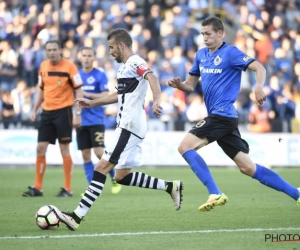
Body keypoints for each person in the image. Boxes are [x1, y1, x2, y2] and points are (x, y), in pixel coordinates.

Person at [165, 16, 300, 212]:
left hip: (222, 115)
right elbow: (190, 85)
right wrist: (179, 85)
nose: (204, 38)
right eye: (202, 34)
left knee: (185, 146)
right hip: (222, 118)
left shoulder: (231, 53)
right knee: (247, 168)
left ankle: (215, 192)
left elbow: (259, 67)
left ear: (221, 33)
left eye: (208, 34)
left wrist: (259, 87)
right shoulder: (201, 55)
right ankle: (296, 194)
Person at [53, 28, 183, 230]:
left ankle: (76, 217)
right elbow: (118, 95)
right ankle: (170, 186)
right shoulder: (124, 69)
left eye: (112, 47)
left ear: (121, 45)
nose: (110, 52)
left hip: (129, 125)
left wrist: (157, 99)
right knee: (122, 176)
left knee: (101, 168)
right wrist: (92, 103)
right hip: (129, 125)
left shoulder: (135, 62)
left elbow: (152, 77)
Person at [22, 40, 84, 197]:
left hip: (64, 112)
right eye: (48, 50)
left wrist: (78, 114)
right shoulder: (43, 66)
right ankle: (37, 188)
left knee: (64, 149)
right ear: (45, 51)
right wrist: (35, 109)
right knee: (40, 148)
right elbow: (41, 90)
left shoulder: (70, 67)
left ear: (60, 50)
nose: (51, 52)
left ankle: (68, 188)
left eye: (54, 49)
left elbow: (79, 91)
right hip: (46, 112)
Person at [77, 46, 121, 194]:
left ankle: (114, 177)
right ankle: (91, 189)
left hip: (96, 120)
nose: (87, 58)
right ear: (80, 57)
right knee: (85, 155)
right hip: (81, 121)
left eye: (89, 55)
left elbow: (105, 95)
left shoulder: (100, 75)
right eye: (84, 55)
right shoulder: (76, 75)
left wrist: (86, 94)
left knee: (98, 152)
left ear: (94, 58)